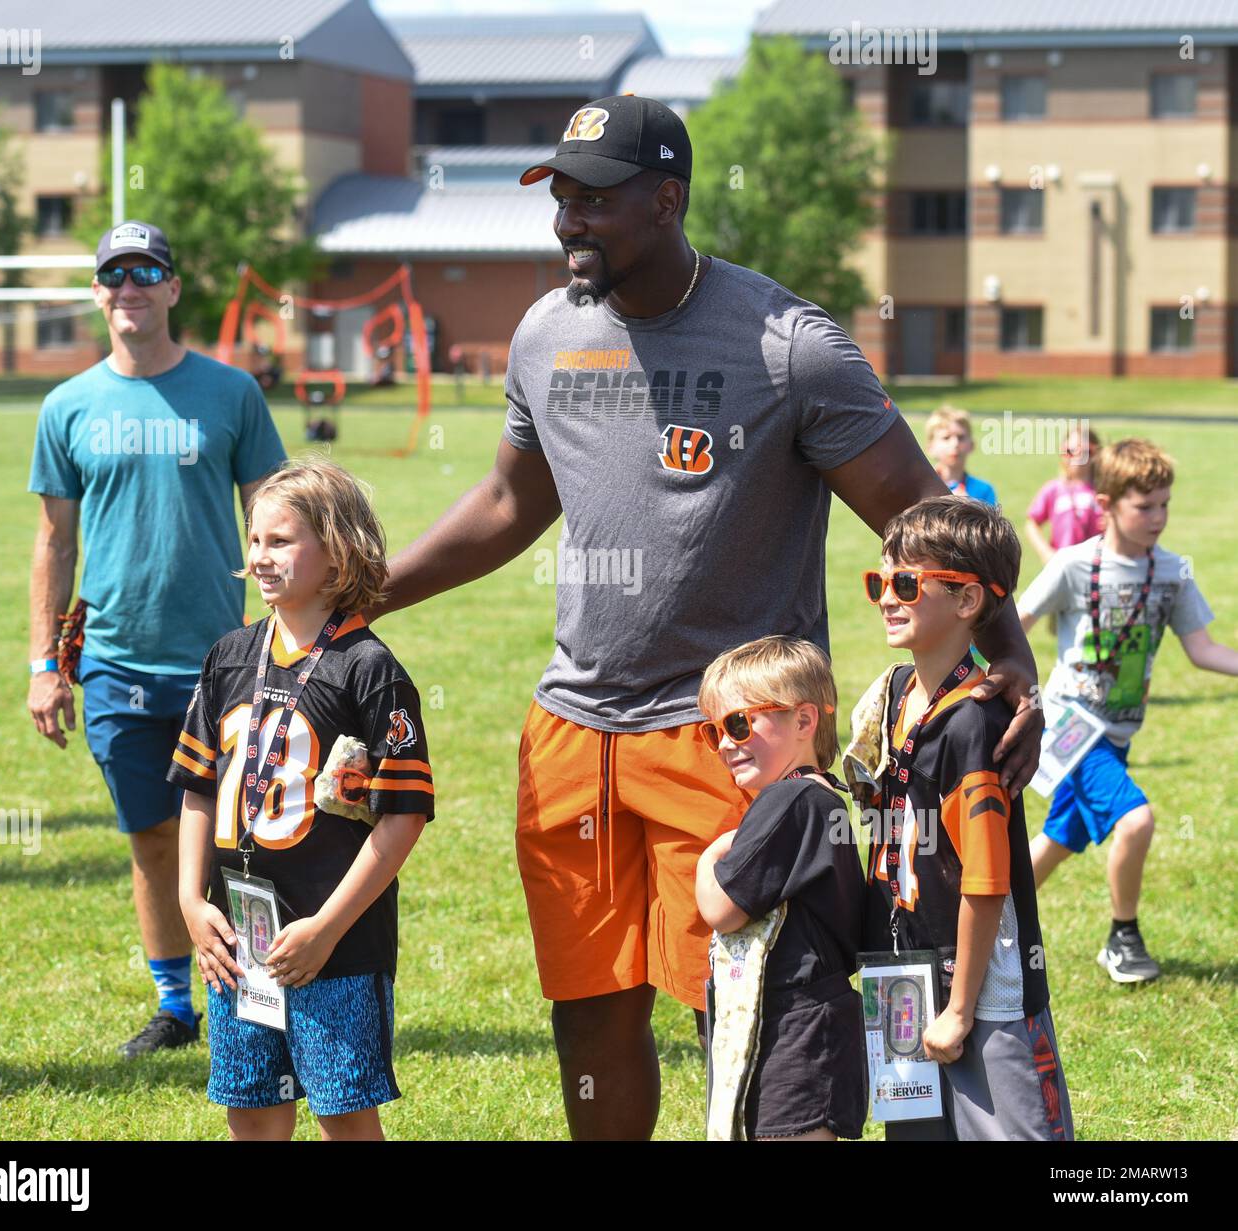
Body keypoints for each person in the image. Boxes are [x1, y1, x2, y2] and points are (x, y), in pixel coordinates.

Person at [372, 95, 1043, 1140]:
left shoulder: (788, 346)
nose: (568, 223)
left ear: (668, 198)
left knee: (748, 1005)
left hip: (732, 738)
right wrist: (368, 592)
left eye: (595, 200)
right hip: (573, 733)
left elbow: (922, 517)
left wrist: (1010, 668)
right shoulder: (547, 332)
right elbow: (511, 502)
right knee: (589, 1010)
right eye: (560, 197)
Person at [27, 221, 287, 1057]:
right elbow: (54, 543)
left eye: (147, 271)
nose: (130, 286)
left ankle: (256, 990)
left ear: (173, 289)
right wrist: (45, 664)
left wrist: (292, 630)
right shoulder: (66, 406)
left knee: (240, 833)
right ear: (98, 294)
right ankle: (176, 1005)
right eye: (114, 275)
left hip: (226, 661)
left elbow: (275, 516)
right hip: (114, 664)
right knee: (151, 835)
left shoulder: (232, 393)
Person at [171, 457, 433, 1141]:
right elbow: (198, 790)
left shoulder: (370, 671)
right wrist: (191, 903)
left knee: (344, 1113)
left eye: (281, 541)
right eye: (255, 540)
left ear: (339, 550)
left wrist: (328, 927)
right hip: (237, 938)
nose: (261, 557)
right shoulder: (229, 655)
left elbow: (403, 819)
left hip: (333, 942)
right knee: (251, 1111)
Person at [860, 495, 1073, 1140]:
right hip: (903, 966)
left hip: (980, 990)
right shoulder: (895, 692)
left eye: (905, 583)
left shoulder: (975, 724)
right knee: (916, 1132)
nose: (887, 598)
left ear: (968, 601)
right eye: (880, 582)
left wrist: (957, 1010)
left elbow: (986, 882)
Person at [1017, 439, 1237, 983]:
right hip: (1070, 725)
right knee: (1136, 820)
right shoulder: (1074, 565)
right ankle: (1123, 938)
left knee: (1059, 839)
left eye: (1165, 504)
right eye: (1145, 506)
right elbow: (1015, 623)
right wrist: (1001, 686)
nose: (1158, 517)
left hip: (1118, 732)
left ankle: (982, 916)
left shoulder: (1172, 572)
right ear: (1107, 503)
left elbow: (1202, 649)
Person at [694, 636, 867, 1141]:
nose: (726, 742)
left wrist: (710, 857)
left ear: (804, 721)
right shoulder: (819, 798)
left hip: (797, 1030)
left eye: (739, 723)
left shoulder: (790, 801)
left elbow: (721, 909)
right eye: (713, 730)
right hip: (813, 1025)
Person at [1025, 425, 1102, 564]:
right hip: (1063, 565)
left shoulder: (1105, 489)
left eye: (1085, 451)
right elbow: (1032, 523)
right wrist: (1045, 552)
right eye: (1070, 451)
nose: (1078, 457)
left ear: (1096, 453)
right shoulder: (1054, 489)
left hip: (1098, 564)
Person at [926, 406, 998, 506]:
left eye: (961, 437)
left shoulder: (983, 490)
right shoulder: (921, 486)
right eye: (946, 438)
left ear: (972, 445)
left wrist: (970, 507)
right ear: (930, 447)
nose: (955, 443)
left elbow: (990, 521)